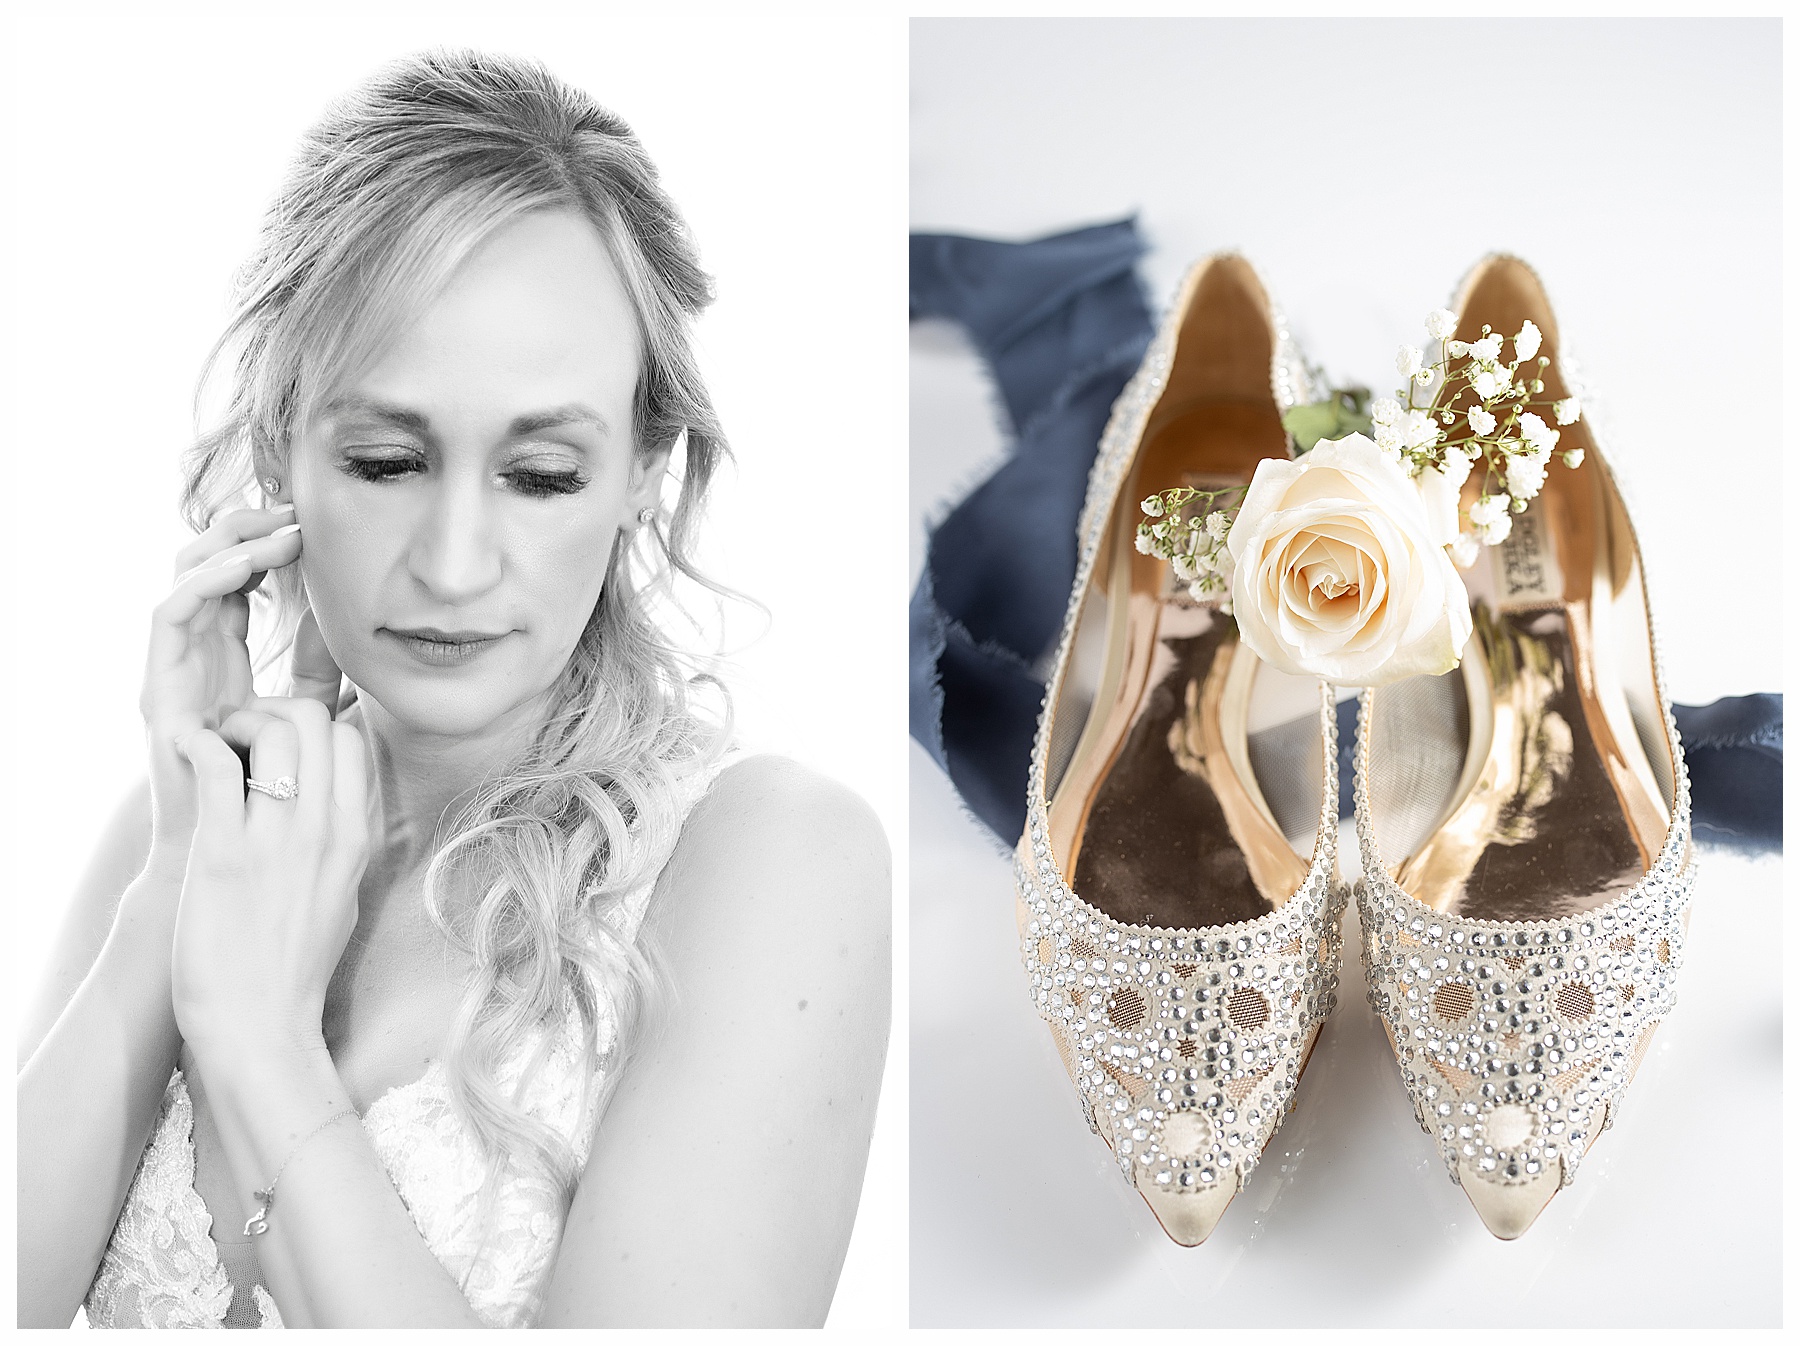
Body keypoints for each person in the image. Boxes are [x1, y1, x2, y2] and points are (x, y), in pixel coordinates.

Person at [17, 49, 890, 1329]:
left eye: (539, 475)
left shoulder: (768, 860)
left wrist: (260, 1044)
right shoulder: (177, 841)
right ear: (279, 444)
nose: (452, 562)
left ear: (646, 467)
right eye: (384, 459)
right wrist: (178, 882)